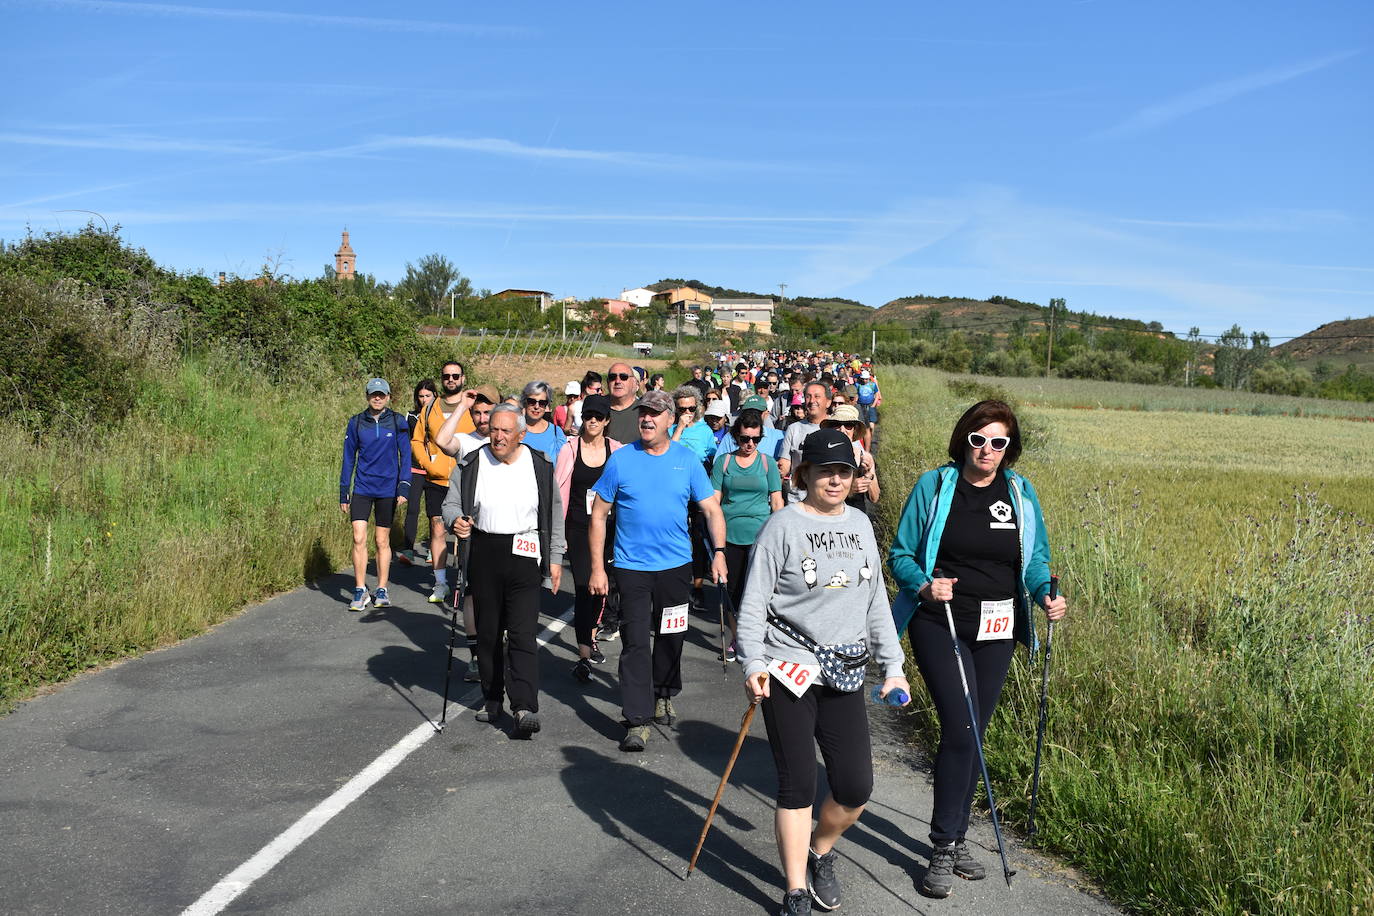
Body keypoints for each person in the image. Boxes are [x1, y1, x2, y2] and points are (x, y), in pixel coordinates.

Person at [887, 399, 1067, 899]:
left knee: (974, 735)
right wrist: (925, 585)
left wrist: (1044, 594)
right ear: (964, 439)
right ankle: (944, 846)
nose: (987, 450)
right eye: (978, 439)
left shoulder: (1021, 492)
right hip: (939, 621)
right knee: (961, 727)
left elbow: (1034, 561)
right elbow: (900, 554)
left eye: (999, 442)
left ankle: (958, 837)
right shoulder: (936, 485)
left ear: (1010, 449)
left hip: (998, 629)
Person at [737, 428, 910, 916]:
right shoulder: (782, 527)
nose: (835, 480)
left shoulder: (859, 525)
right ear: (804, 473)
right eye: (825, 471)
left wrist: (893, 667)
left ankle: (819, 852)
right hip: (788, 668)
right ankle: (794, 890)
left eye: (845, 471)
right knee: (798, 785)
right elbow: (753, 605)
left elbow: (876, 601)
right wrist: (753, 661)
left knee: (856, 787)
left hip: (845, 670)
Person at [588, 389, 729, 752]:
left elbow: (712, 511)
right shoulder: (621, 460)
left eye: (654, 414)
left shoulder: (687, 460)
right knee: (635, 642)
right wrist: (597, 569)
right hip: (631, 569)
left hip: (676, 569)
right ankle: (637, 719)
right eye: (642, 414)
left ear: (670, 420)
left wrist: (718, 553)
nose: (646, 419)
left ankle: (664, 691)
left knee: (671, 637)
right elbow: (599, 515)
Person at [444, 404, 565, 736]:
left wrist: (555, 556)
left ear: (521, 435)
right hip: (484, 549)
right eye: (493, 429)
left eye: (505, 431)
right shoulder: (471, 463)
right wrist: (455, 520)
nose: (497, 436)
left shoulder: (540, 465)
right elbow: (450, 503)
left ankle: (524, 706)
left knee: (523, 632)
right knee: (488, 633)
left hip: (525, 552)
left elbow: (554, 512)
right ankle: (492, 697)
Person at [554, 394, 623, 683]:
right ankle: (584, 652)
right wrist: (559, 535)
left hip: (610, 529)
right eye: (587, 416)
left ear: (607, 420)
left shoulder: (617, 450)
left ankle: (591, 637)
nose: (592, 421)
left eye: (598, 416)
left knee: (603, 589)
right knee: (585, 586)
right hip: (578, 528)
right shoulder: (570, 449)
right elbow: (558, 492)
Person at [433, 384, 499, 682]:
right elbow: (441, 439)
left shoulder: (510, 442)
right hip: (471, 531)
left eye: (487, 412)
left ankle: (499, 644)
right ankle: (475, 655)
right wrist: (461, 405)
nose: (482, 418)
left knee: (500, 595)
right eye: (477, 412)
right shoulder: (466, 441)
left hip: (502, 529)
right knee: (471, 594)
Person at [709, 407, 782, 662]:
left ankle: (759, 637)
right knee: (731, 590)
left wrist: (779, 535)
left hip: (761, 536)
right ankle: (737, 638)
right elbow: (714, 502)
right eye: (744, 439)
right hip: (729, 535)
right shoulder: (724, 462)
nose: (749, 444)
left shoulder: (767, 463)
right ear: (735, 437)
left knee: (761, 590)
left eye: (755, 439)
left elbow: (776, 500)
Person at [339, 378, 411, 612]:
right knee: (359, 537)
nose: (377, 398)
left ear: (389, 396)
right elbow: (349, 457)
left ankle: (381, 589)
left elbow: (406, 455)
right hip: (362, 487)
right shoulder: (357, 422)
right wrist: (343, 491)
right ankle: (360, 589)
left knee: (381, 541)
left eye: (381, 394)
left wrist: (404, 486)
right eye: (373, 394)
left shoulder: (398, 421)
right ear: (367, 396)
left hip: (387, 489)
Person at [412, 361, 471, 604]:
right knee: (437, 529)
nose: (451, 379)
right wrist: (428, 463)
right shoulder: (429, 408)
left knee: (465, 532)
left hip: (465, 478)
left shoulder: (471, 406)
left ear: (462, 378)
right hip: (437, 479)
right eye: (446, 376)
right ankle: (440, 583)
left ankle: (467, 580)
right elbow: (416, 440)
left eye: (455, 375)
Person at [398, 379, 436, 567]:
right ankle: (408, 550)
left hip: (435, 469)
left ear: (435, 396)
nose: (424, 399)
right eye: (420, 396)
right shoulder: (411, 416)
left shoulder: (440, 416)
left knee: (434, 512)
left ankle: (433, 549)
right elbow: (406, 445)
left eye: (427, 396)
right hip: (415, 468)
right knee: (412, 509)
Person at [779, 382, 833, 504]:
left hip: (828, 500)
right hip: (798, 499)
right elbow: (785, 464)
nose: (812, 400)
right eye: (808, 396)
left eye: (817, 396)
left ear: (828, 402)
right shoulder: (793, 429)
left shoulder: (837, 428)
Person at [820, 404, 880, 512]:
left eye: (848, 425)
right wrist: (850, 488)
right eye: (837, 424)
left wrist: (869, 473)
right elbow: (815, 492)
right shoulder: (821, 454)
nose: (842, 429)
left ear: (854, 430)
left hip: (855, 520)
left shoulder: (863, 456)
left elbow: (874, 498)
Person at [520, 380, 567, 462]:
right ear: (524, 402)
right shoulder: (514, 429)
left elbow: (563, 464)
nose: (537, 407)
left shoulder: (556, 432)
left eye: (542, 403)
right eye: (532, 401)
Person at [603, 361, 641, 451]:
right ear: (608, 382)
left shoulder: (645, 411)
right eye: (612, 377)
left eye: (623, 377)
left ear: (634, 382)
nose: (617, 381)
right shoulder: (597, 409)